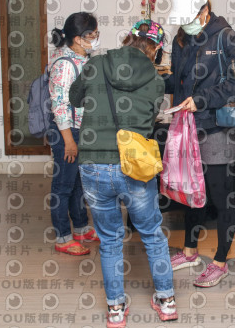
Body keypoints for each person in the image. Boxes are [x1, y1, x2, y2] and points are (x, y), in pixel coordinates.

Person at [70, 20, 177, 326]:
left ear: (129, 37)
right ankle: (166, 302)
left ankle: (115, 309)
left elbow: (75, 99)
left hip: (94, 163)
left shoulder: (96, 64)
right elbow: (149, 119)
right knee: (153, 235)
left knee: (109, 240)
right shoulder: (156, 81)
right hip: (134, 165)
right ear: (156, 50)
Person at [164, 0, 235, 287]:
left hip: (217, 125)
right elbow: (178, 81)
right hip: (187, 125)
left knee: (220, 193)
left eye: (190, 17)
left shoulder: (227, 37)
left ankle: (220, 261)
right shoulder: (181, 39)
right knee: (191, 191)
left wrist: (201, 100)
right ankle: (190, 251)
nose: (186, 23)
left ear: (205, 10)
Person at [47, 12, 99, 256]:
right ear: (78, 38)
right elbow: (59, 106)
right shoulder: (65, 65)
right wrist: (69, 141)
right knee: (63, 185)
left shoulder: (81, 58)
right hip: (67, 132)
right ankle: (63, 237)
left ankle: (80, 228)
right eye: (93, 35)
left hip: (80, 129)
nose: (95, 38)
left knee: (78, 183)